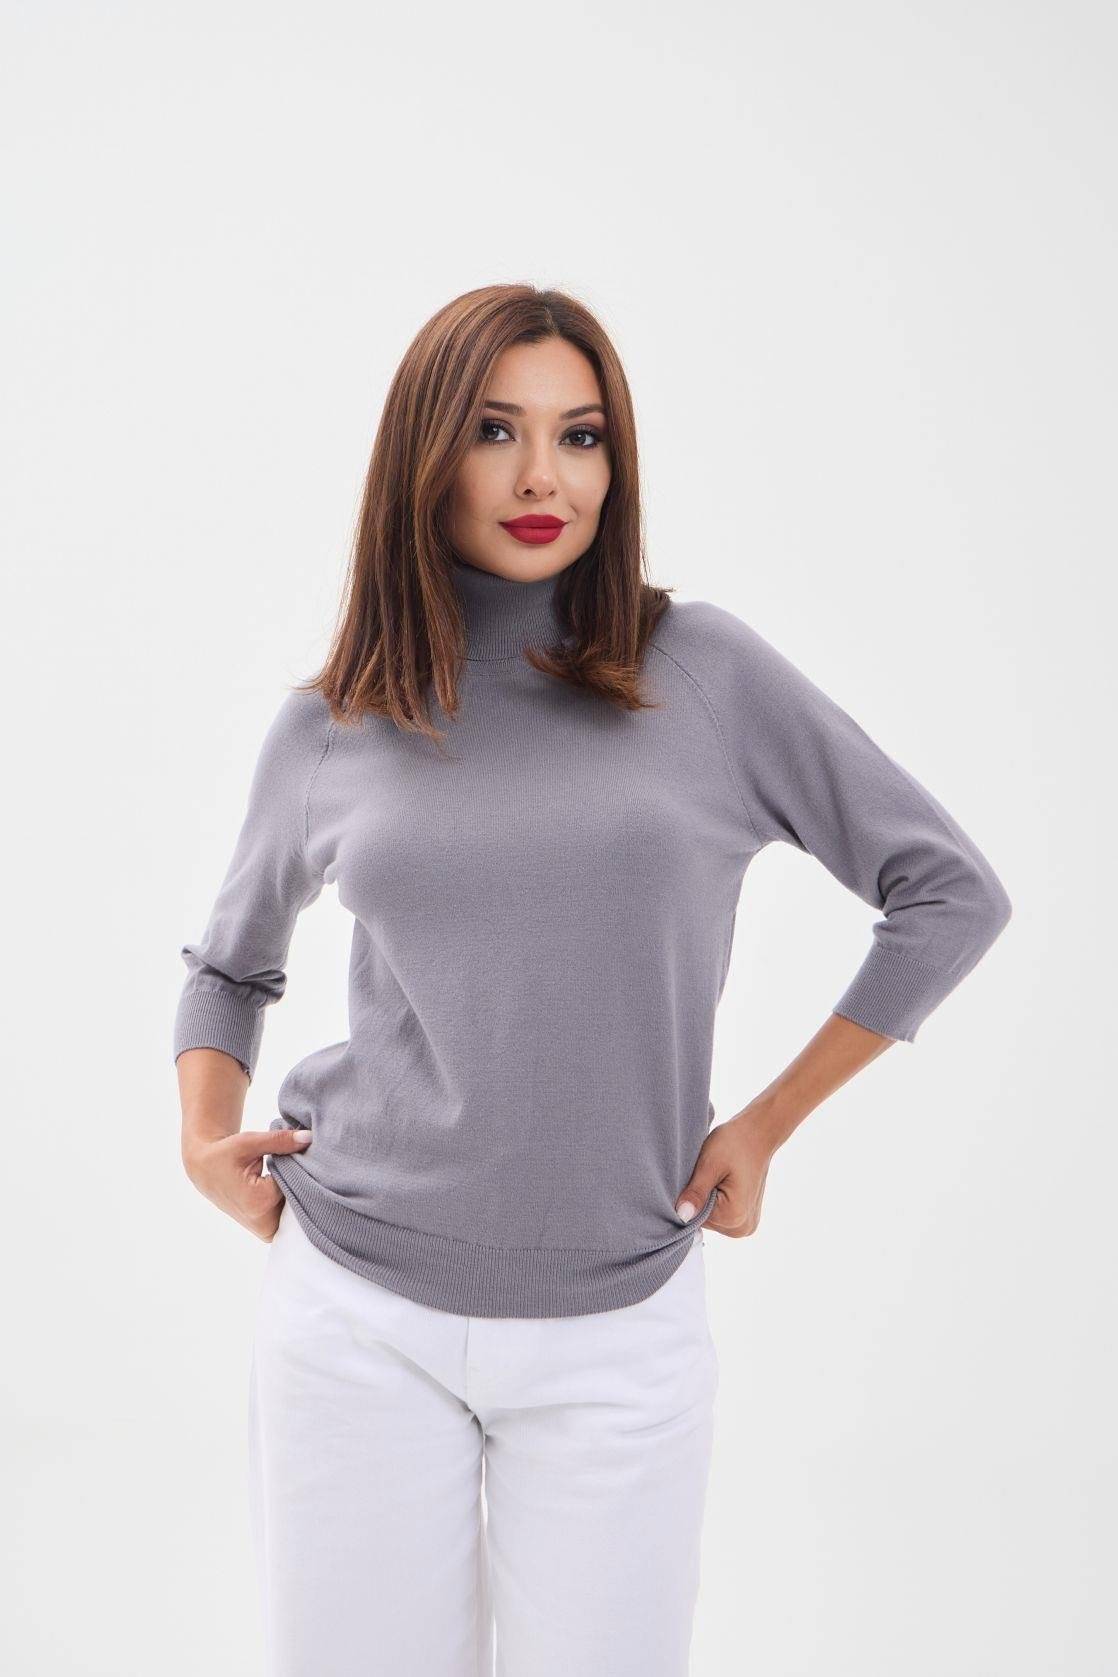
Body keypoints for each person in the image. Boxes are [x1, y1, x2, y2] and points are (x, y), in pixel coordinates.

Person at [173, 283, 1012, 1677]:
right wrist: (205, 1139)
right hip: (353, 1310)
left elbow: (946, 894)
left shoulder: (703, 672)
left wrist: (764, 1126)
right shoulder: (336, 718)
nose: (542, 477)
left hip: (619, 1320)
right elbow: (228, 962)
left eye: (581, 435)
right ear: (425, 451)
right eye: (495, 430)